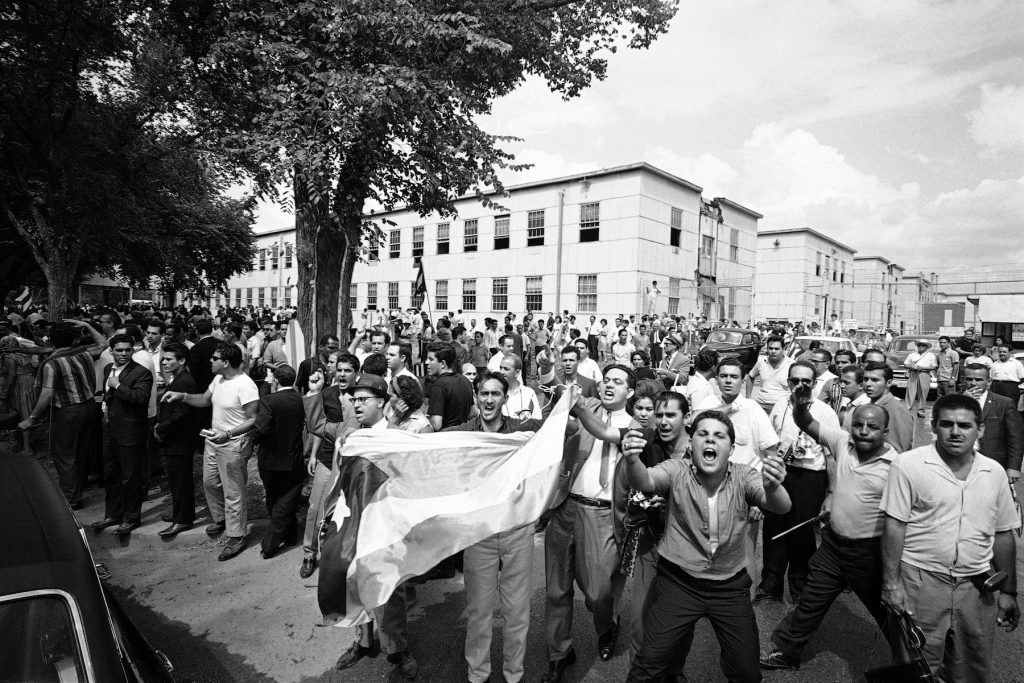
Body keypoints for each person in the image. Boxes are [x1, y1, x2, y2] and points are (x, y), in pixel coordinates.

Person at [623, 411, 792, 682]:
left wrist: (773, 487)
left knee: (747, 672)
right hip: (678, 584)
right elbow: (644, 481)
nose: (710, 440)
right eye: (702, 434)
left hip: (730, 587)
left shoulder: (744, 476)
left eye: (719, 436)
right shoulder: (676, 470)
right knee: (649, 665)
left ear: (732, 449)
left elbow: (781, 506)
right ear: (691, 444)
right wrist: (631, 459)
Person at [880, 393, 1020, 681]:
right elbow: (894, 526)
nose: (956, 432)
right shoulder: (908, 465)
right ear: (934, 426)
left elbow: (1004, 534)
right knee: (916, 669)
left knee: (971, 668)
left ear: (980, 429)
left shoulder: (993, 473)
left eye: (965, 426)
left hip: (976, 587)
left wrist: (1008, 592)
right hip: (921, 583)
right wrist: (891, 583)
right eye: (947, 424)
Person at [760, 396, 898, 671]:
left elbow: (902, 520)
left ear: (886, 432)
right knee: (810, 600)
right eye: (858, 424)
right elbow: (806, 422)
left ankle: (916, 663)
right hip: (833, 547)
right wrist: (799, 405)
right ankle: (786, 651)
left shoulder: (898, 467)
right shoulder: (842, 442)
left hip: (868, 555)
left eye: (872, 427)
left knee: (889, 611)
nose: (863, 431)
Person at [442, 371, 550, 683]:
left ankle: (514, 674)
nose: (489, 399)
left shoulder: (521, 429)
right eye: (484, 393)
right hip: (479, 532)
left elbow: (562, 430)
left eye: (495, 394)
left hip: (516, 530)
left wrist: (564, 398)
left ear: (505, 398)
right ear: (476, 397)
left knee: (517, 612)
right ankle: (478, 674)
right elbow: (425, 443)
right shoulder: (463, 432)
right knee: (479, 612)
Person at [540, 365, 637, 682]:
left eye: (618, 382)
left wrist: (580, 407)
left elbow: (602, 431)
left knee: (597, 592)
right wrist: (545, 369)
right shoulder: (587, 408)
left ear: (630, 392)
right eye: (606, 380)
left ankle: (607, 626)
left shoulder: (637, 426)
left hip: (602, 515)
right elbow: (562, 404)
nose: (610, 385)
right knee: (556, 590)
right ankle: (560, 653)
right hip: (566, 508)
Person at [331, 373, 419, 680]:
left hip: (387, 526)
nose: (356, 405)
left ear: (381, 402)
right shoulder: (352, 437)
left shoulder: (397, 437)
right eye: (353, 399)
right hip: (355, 524)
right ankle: (363, 641)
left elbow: (409, 483)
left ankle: (397, 648)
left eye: (362, 400)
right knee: (354, 581)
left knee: (390, 590)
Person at [162, 342, 259, 561]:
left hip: (233, 443)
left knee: (233, 492)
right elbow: (205, 400)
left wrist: (230, 433)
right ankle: (223, 520)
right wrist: (182, 396)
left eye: (214, 358)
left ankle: (237, 535)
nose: (210, 361)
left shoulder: (245, 385)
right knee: (210, 483)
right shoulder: (218, 379)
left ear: (225, 362)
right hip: (213, 440)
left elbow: (253, 419)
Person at [19, 320, 106, 508]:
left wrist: (31, 418)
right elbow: (104, 343)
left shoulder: (51, 363)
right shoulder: (84, 353)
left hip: (68, 412)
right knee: (81, 451)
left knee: (65, 455)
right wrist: (86, 325)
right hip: (90, 407)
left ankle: (71, 499)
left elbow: (47, 393)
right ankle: (77, 488)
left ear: (51, 341)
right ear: (74, 339)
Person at [300, 355, 360, 578]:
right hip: (328, 459)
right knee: (316, 508)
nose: (342, 374)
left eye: (348, 370)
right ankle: (309, 553)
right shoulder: (326, 395)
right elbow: (318, 427)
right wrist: (313, 455)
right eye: (339, 370)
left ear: (356, 373)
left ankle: (336, 556)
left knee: (345, 511)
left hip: (353, 462)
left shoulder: (362, 397)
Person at [92, 333, 154, 536]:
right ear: (111, 351)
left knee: (130, 476)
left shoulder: (141, 372)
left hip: (131, 431)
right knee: (111, 474)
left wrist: (118, 385)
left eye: (128, 350)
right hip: (110, 429)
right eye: (119, 350)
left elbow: (139, 398)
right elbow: (107, 396)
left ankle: (131, 517)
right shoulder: (110, 368)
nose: (124, 354)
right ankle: (113, 514)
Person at [250, 365, 306, 558]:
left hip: (270, 459)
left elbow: (261, 428)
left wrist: (252, 438)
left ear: (275, 380)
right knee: (287, 499)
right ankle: (290, 536)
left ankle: (270, 545)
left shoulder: (269, 401)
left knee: (276, 501)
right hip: (293, 458)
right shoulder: (301, 400)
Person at [155, 342, 199, 537]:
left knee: (180, 480)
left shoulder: (184, 381)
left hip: (179, 440)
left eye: (169, 359)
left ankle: (182, 519)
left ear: (181, 361)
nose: (164, 362)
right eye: (164, 358)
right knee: (176, 480)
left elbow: (181, 414)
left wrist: (161, 429)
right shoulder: (178, 378)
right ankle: (179, 513)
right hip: (174, 440)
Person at [962, 363, 1024, 484]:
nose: (973, 383)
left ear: (989, 382)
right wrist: (963, 401)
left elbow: (1016, 437)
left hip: (993, 460)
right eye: (969, 379)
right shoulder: (955, 401)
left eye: (979, 380)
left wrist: (1014, 467)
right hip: (961, 461)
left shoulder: (1004, 403)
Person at [850, 362, 914, 453]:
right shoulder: (873, 405)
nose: (868, 384)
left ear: (889, 383)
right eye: (865, 379)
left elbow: (898, 450)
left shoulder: (896, 409)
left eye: (874, 380)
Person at [425, 342, 474, 430]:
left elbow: (436, 424)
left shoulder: (439, 386)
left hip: (446, 439)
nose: (426, 362)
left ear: (443, 363)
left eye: (431, 359)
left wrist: (424, 419)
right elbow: (474, 412)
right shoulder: (465, 380)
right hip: (464, 435)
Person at [747, 335, 793, 413]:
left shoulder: (791, 364)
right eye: (770, 348)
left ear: (783, 349)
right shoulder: (762, 361)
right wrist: (748, 399)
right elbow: (751, 376)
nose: (773, 351)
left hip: (782, 408)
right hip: (761, 406)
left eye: (776, 349)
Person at [500, 354, 541, 420]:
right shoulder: (495, 392)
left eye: (506, 369)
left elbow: (537, 419)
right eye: (500, 368)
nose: (501, 372)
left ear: (517, 372)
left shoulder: (529, 393)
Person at [904, 339, 937, 417]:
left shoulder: (931, 355)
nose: (921, 347)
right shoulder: (912, 355)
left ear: (926, 347)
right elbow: (906, 364)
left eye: (923, 345)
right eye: (919, 345)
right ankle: (907, 409)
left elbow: (934, 367)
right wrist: (912, 366)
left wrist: (921, 368)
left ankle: (921, 410)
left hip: (924, 374)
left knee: (923, 393)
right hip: (913, 373)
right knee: (910, 392)